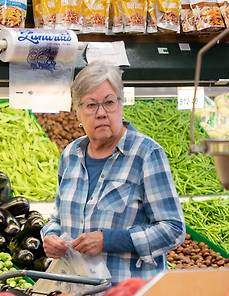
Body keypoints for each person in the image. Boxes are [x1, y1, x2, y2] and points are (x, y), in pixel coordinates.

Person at [41, 62, 185, 282]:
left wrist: (109, 240)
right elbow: (58, 218)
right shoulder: (71, 154)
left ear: (121, 104)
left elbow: (173, 229)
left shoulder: (146, 154)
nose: (101, 113)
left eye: (108, 102)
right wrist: (50, 236)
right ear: (77, 112)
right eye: (90, 105)